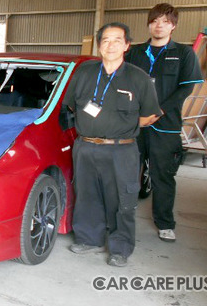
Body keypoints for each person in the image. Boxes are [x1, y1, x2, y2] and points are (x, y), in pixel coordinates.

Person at [63, 22, 162, 267]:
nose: (111, 45)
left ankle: (120, 248)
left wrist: (120, 127)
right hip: (86, 147)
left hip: (122, 150)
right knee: (87, 195)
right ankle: (88, 238)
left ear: (127, 45)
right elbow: (72, 105)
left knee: (122, 199)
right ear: (99, 45)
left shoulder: (138, 77)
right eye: (106, 40)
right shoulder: (84, 72)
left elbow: (150, 114)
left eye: (117, 40)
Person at [125, 3, 203, 243]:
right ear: (149, 24)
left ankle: (165, 223)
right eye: (155, 21)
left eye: (165, 21)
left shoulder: (183, 53)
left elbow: (186, 87)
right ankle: (123, 216)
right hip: (134, 125)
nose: (159, 25)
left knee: (163, 176)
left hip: (165, 125)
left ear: (173, 25)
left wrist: (159, 110)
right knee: (127, 172)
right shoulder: (135, 52)